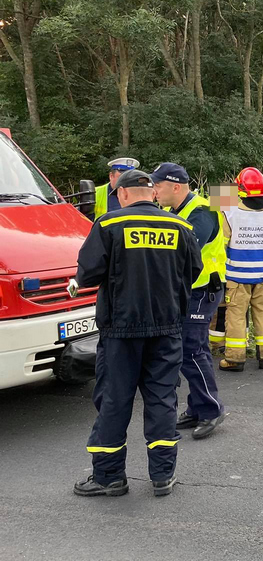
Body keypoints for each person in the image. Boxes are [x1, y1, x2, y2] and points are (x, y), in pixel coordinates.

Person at [71, 169, 202, 497]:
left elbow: (88, 271)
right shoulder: (181, 227)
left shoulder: (109, 225)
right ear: (152, 194)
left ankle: (109, 477)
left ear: (123, 194)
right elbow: (194, 270)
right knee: (162, 399)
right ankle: (162, 475)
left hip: (121, 332)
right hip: (167, 328)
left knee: (114, 400)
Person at [151, 163, 229, 440]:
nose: (154, 191)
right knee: (195, 349)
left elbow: (184, 250)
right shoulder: (175, 211)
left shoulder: (203, 211)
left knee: (190, 350)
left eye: (157, 186)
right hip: (189, 290)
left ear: (176, 186)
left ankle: (211, 409)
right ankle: (198, 407)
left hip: (203, 289)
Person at [218, 168, 263, 371]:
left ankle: (234, 359)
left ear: (239, 189)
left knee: (236, 317)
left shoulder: (228, 212)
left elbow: (220, 247)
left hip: (236, 277)